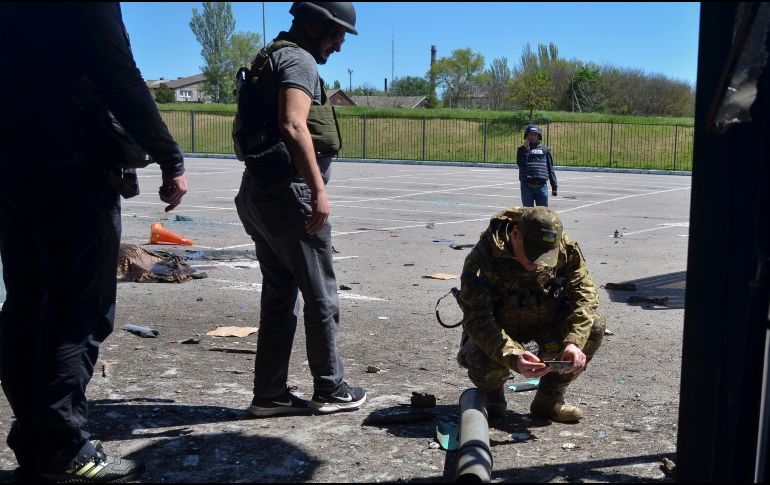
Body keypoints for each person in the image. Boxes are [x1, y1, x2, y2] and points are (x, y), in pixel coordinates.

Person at [0, 3, 188, 482]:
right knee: (77, 313)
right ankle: (65, 448)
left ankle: (35, 440)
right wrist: (169, 155)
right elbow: (120, 76)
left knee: (26, 306)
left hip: (15, 174)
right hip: (75, 173)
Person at [232, 2, 366, 417]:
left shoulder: (271, 55)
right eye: (337, 34)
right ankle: (330, 387)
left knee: (278, 296)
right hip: (289, 196)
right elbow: (293, 124)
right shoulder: (299, 60)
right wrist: (318, 191)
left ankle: (269, 394)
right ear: (316, 25)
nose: (340, 44)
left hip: (259, 192)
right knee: (321, 294)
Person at [455, 206, 604, 422]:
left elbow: (585, 296)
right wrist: (514, 357)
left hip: (545, 329)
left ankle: (549, 400)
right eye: (533, 255)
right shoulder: (483, 258)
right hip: (501, 333)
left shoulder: (564, 249)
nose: (538, 264)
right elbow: (478, 319)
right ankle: (492, 395)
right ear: (515, 234)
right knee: (480, 358)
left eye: (546, 257)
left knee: (594, 327)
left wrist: (574, 342)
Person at [516, 124, 558, 207]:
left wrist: (554, 186)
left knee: (542, 214)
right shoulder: (521, 150)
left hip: (542, 186)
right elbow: (521, 164)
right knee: (528, 213)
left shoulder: (545, 150)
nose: (532, 136)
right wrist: (527, 150)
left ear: (539, 136)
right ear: (526, 136)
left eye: (535, 134)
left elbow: (550, 168)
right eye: (530, 134)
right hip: (527, 186)